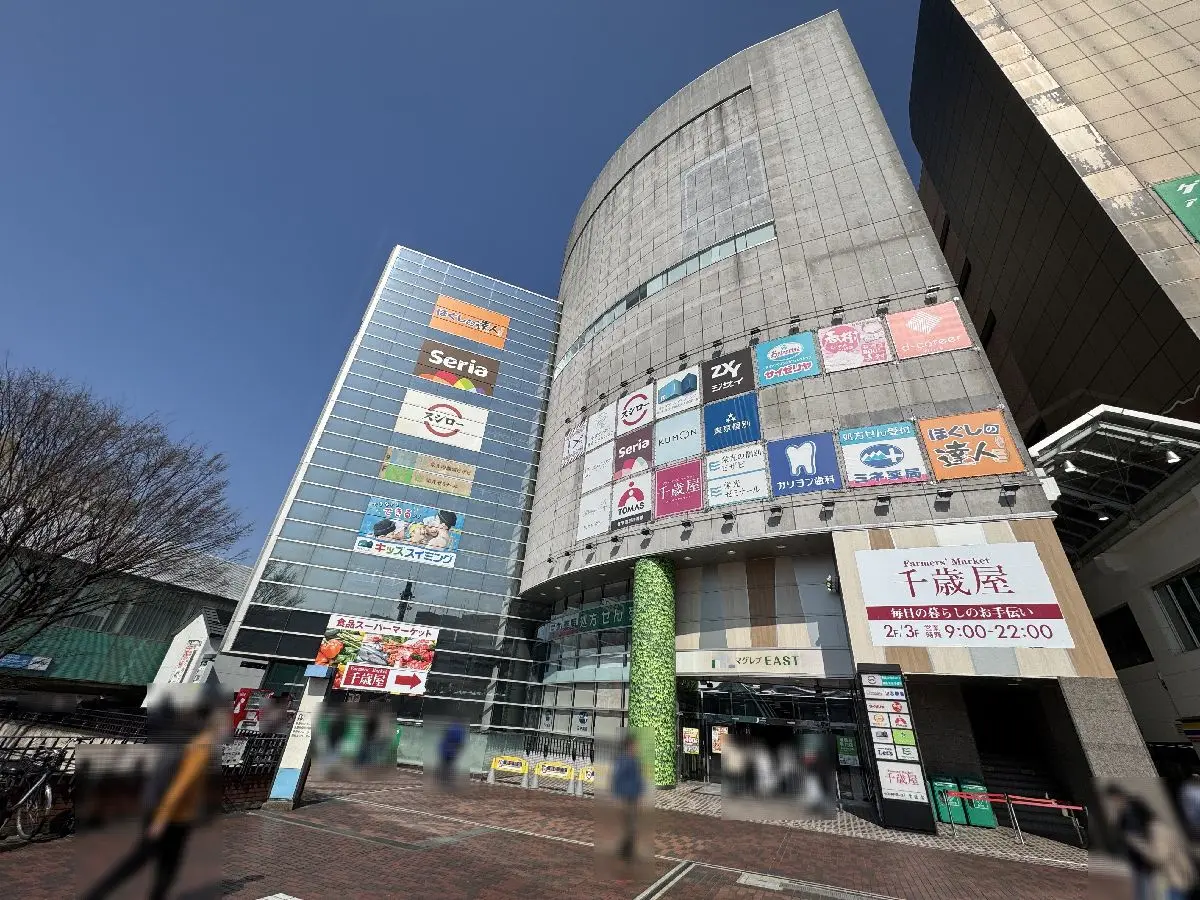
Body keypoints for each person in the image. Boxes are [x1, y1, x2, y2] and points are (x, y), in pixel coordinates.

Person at [82, 689, 225, 900]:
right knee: (147, 861)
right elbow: (181, 786)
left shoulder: (189, 741)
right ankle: (96, 894)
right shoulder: (202, 747)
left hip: (171, 814)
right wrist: (161, 819)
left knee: (164, 865)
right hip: (172, 817)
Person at [611, 734, 645, 861]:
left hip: (633, 797)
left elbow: (638, 779)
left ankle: (626, 850)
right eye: (634, 745)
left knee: (632, 824)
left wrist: (640, 795)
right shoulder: (623, 760)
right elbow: (617, 778)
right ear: (628, 746)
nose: (636, 747)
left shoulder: (635, 760)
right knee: (629, 824)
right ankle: (626, 851)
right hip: (626, 797)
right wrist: (617, 797)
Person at [438, 720, 466, 786]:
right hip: (450, 751)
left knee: (446, 765)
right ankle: (446, 779)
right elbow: (460, 743)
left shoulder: (451, 730)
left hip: (448, 751)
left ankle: (444, 779)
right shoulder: (458, 731)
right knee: (448, 765)